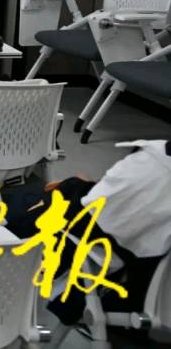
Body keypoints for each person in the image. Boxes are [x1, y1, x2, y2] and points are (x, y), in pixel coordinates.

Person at [21, 140, 171, 328]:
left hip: (104, 265)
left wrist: (77, 186)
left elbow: (99, 213)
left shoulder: (153, 162)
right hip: (145, 288)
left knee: (53, 196)